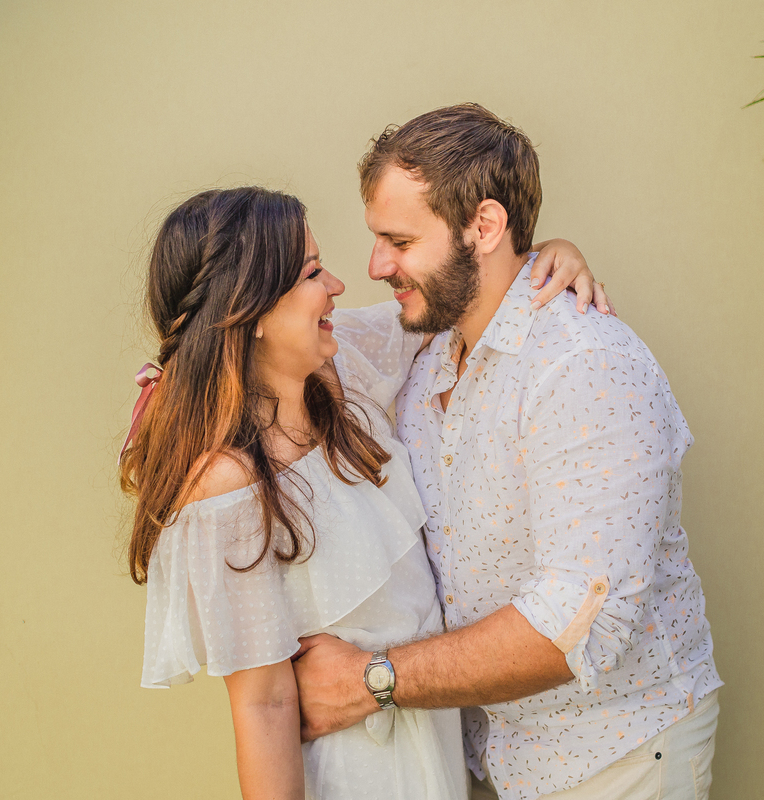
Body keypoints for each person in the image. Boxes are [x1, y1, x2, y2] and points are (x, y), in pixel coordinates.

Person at [119, 186, 605, 800]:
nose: (339, 285)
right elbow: (264, 705)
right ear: (252, 311)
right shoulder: (228, 485)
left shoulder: (344, 369)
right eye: (312, 272)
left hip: (440, 748)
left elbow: (456, 302)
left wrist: (549, 256)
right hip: (361, 772)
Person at [292, 104, 721, 800]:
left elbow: (577, 625)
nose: (375, 265)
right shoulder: (423, 350)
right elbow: (293, 341)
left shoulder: (584, 366)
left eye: (398, 240)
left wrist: (373, 680)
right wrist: (190, 375)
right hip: (499, 760)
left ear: (485, 227)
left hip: (619, 759)